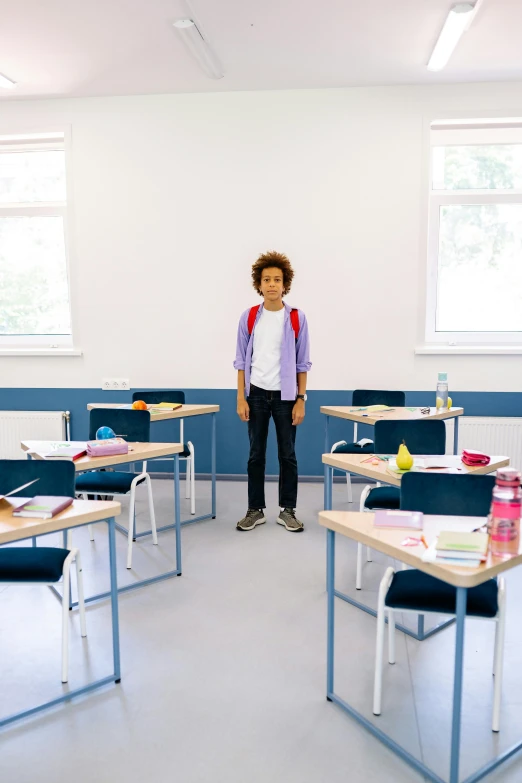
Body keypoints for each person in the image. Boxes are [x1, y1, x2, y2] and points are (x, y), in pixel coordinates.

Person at [233, 250, 311, 532]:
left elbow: (303, 363)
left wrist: (301, 399)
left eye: (277, 279)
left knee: (287, 455)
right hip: (255, 394)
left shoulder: (296, 318)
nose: (272, 285)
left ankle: (287, 510)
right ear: (259, 283)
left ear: (285, 284)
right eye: (267, 279)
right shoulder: (250, 316)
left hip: (286, 397)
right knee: (256, 454)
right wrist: (241, 396)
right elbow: (241, 360)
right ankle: (255, 509)